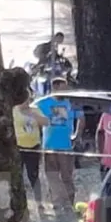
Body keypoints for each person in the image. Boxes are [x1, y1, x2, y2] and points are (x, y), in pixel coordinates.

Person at [37, 79, 85, 214]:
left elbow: (81, 118)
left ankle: (69, 203)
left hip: (66, 145)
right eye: (63, 88)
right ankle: (56, 203)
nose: (66, 91)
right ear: (55, 88)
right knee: (51, 175)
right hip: (49, 145)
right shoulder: (43, 102)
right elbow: (32, 116)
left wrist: (77, 134)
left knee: (67, 175)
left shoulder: (72, 103)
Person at [13, 87, 49, 213]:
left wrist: (33, 114)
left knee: (34, 176)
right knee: (17, 176)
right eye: (23, 99)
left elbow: (46, 122)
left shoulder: (35, 110)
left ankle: (39, 203)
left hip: (33, 147)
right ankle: (19, 204)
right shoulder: (13, 111)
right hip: (18, 147)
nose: (26, 102)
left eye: (28, 99)